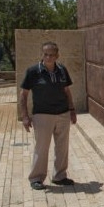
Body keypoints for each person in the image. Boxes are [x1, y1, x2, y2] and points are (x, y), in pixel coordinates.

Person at [19, 41, 77, 190]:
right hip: (42, 115)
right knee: (42, 148)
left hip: (62, 114)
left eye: (52, 55)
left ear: (57, 56)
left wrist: (72, 110)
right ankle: (36, 178)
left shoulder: (62, 70)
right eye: (46, 54)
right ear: (42, 55)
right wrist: (25, 116)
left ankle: (60, 176)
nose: (48, 57)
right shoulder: (33, 71)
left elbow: (67, 91)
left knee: (62, 147)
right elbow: (23, 95)